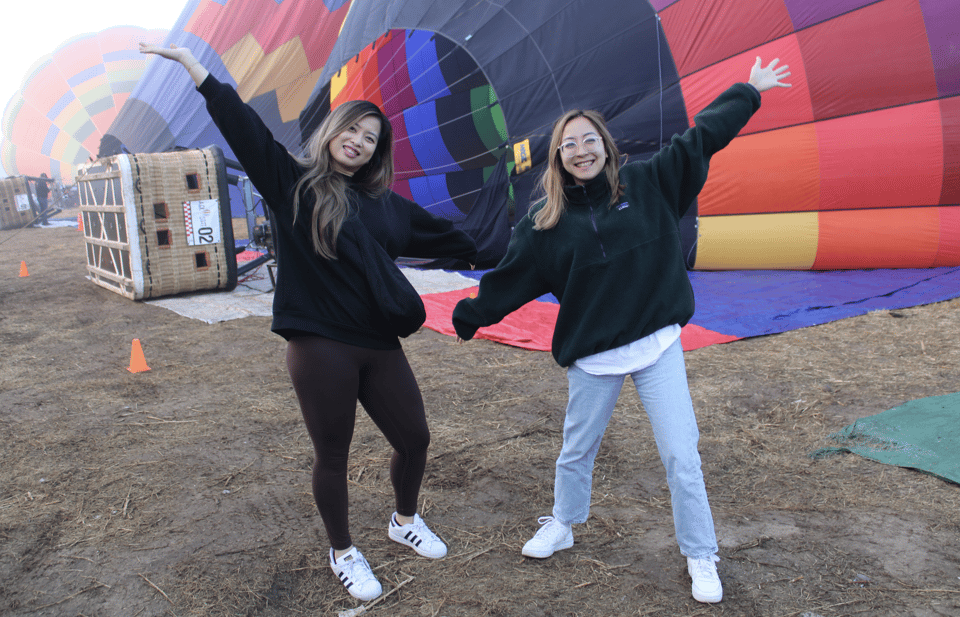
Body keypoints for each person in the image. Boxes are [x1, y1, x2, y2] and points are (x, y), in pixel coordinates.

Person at [140, 42, 479, 602]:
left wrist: (525, 243)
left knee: (415, 437)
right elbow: (244, 127)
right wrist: (197, 70)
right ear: (333, 131)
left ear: (376, 153)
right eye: (352, 130)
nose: (359, 142)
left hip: (378, 343)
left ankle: (403, 519)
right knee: (334, 454)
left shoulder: (389, 206)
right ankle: (343, 550)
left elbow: (453, 238)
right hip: (320, 344)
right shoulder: (294, 184)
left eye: (371, 139)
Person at [453, 57, 791, 604]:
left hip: (656, 346)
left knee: (682, 454)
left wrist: (748, 91)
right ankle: (562, 524)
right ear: (558, 158)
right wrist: (468, 316)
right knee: (575, 451)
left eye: (589, 140)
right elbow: (508, 281)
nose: (581, 151)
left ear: (606, 146)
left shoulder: (650, 182)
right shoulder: (544, 222)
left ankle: (700, 554)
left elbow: (701, 138)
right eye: (569, 145)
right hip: (595, 357)